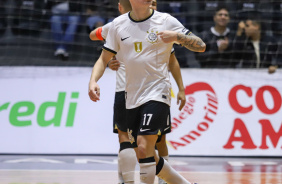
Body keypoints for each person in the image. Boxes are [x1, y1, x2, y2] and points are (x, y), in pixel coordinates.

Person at [88, 0, 205, 183]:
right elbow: (103, 59)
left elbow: (200, 45)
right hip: (131, 96)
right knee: (144, 152)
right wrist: (93, 80)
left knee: (145, 146)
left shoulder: (165, 20)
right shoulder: (118, 25)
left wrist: (177, 36)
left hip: (158, 91)